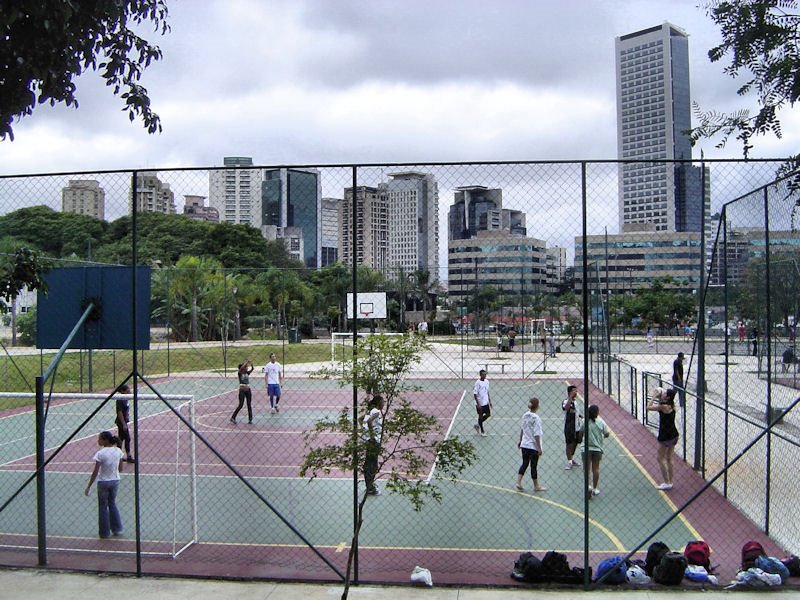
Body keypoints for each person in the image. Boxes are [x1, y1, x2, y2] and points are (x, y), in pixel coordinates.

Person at [84, 430, 124, 538]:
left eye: (100, 439)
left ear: (105, 440)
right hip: (115, 480)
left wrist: (88, 486)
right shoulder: (118, 451)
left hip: (103, 482)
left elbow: (95, 471)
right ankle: (117, 529)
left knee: (102, 507)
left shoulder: (100, 453)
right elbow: (120, 469)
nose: (98, 440)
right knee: (112, 504)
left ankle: (104, 532)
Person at [647, 387, 679, 490]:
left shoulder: (663, 407)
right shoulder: (672, 405)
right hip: (674, 434)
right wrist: (661, 396)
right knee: (669, 458)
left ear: (668, 396)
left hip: (665, 436)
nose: (663, 393)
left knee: (660, 458)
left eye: (665, 393)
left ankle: (666, 482)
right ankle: (670, 481)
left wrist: (654, 396)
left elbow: (649, 407)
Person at [515, 397, 547, 492]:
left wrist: (520, 440)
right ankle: (536, 485)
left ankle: (518, 482)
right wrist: (539, 448)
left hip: (525, 444)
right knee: (533, 466)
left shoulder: (525, 415)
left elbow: (522, 429)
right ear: (537, 406)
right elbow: (537, 434)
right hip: (533, 446)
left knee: (524, 463)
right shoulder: (536, 418)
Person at [580, 404, 610, 497]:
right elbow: (607, 433)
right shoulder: (601, 422)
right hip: (597, 448)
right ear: (597, 413)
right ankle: (595, 488)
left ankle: (588, 486)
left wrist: (581, 439)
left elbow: (580, 433)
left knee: (586, 469)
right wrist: (601, 437)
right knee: (595, 468)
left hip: (586, 448)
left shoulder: (585, 421)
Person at [363, 395, 384, 496]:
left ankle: (369, 486)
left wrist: (365, 433)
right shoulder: (376, 411)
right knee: (373, 465)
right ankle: (370, 488)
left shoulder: (370, 411)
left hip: (370, 441)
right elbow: (369, 421)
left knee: (368, 464)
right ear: (378, 402)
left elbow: (360, 419)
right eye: (382, 402)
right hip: (374, 441)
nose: (384, 404)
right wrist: (372, 435)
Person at [562, 384, 582, 469]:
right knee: (569, 443)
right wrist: (570, 397)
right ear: (570, 392)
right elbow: (566, 408)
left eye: (576, 391)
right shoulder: (566, 401)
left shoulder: (576, 402)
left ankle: (571, 458)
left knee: (576, 442)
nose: (576, 393)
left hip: (577, 426)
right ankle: (569, 462)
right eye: (574, 391)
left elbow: (576, 412)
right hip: (569, 427)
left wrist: (581, 416)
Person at [114, 384, 135, 463]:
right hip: (121, 422)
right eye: (127, 390)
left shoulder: (126, 399)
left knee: (121, 439)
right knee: (127, 438)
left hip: (124, 421)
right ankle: (128, 455)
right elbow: (119, 412)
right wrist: (123, 424)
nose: (129, 391)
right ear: (123, 391)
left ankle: (118, 456)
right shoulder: (120, 400)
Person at [472, 369, 491, 437]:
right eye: (483, 374)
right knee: (480, 416)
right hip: (480, 403)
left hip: (486, 402)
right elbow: (475, 394)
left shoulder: (487, 381)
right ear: (480, 375)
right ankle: (482, 431)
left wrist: (490, 401)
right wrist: (478, 404)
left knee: (488, 414)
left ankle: (478, 424)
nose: (484, 375)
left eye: (485, 374)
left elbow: (487, 392)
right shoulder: (477, 383)